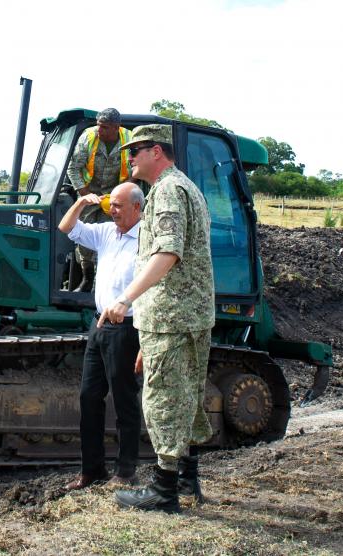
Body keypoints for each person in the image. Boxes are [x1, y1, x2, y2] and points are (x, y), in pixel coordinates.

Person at [98, 124, 215, 513]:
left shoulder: (165, 192)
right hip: (188, 315)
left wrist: (125, 299)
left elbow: (167, 253)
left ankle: (164, 491)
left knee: (164, 399)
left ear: (156, 152)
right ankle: (187, 479)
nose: (129, 158)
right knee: (188, 396)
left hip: (171, 315)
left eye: (135, 151)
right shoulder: (186, 188)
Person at [59, 182, 146, 491]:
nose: (113, 210)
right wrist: (82, 202)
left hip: (127, 328)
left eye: (119, 205)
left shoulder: (147, 240)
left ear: (137, 208)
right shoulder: (107, 232)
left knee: (124, 401)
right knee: (88, 397)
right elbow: (66, 226)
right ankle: (92, 470)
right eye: (112, 205)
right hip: (99, 326)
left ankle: (125, 472)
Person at [65, 108, 133, 291]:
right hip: (89, 192)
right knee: (84, 236)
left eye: (104, 127)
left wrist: (120, 196)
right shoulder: (88, 137)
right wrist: (86, 195)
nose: (99, 130)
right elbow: (73, 169)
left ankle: (102, 284)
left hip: (115, 196)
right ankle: (87, 279)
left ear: (116, 127)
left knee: (111, 236)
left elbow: (136, 172)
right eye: (98, 126)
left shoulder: (130, 139)